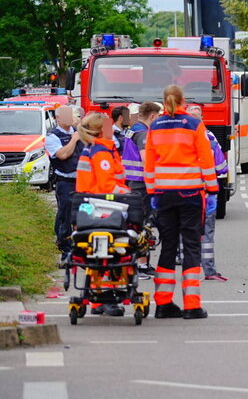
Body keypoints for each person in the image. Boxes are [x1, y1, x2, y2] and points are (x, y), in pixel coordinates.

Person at [144, 85, 218, 320]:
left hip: (164, 195)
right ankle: (191, 305)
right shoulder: (194, 125)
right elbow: (206, 159)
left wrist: (152, 191)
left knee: (167, 247)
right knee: (191, 247)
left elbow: (150, 162)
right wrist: (213, 189)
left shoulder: (155, 126)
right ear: (183, 100)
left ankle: (164, 304)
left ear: (164, 102)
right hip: (190, 194)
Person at [76, 112, 130, 317]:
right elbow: (107, 186)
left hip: (91, 208)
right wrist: (130, 195)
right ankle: (106, 297)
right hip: (103, 209)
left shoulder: (98, 150)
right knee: (110, 253)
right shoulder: (101, 153)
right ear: (101, 131)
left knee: (98, 255)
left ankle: (99, 297)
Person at [187, 105, 229, 280]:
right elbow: (221, 167)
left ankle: (187, 266)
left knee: (186, 231)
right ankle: (209, 270)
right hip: (207, 194)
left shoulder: (180, 139)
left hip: (185, 193)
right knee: (207, 232)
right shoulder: (210, 138)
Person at [121, 101, 162, 279]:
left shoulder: (133, 130)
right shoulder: (143, 134)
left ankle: (138, 262)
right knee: (144, 224)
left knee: (136, 222)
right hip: (142, 184)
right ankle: (142, 265)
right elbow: (146, 161)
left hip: (133, 182)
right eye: (158, 117)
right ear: (152, 116)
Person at [45, 106, 84, 252]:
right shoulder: (52, 136)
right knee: (65, 214)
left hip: (81, 181)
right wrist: (74, 140)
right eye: (65, 115)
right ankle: (64, 247)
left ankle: (79, 245)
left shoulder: (78, 131)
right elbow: (62, 155)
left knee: (83, 213)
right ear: (58, 118)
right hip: (65, 181)